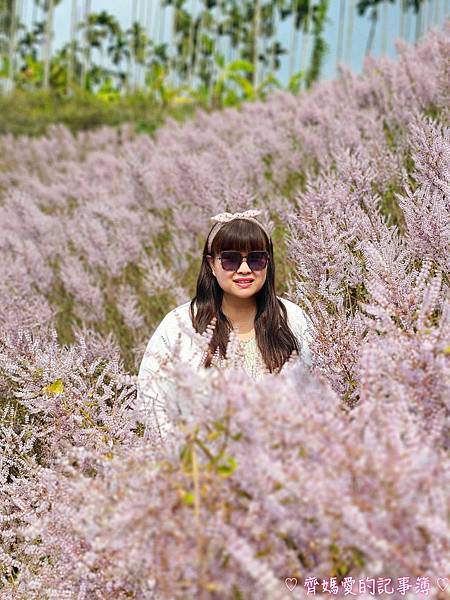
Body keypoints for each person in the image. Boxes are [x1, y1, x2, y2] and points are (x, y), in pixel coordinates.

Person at [135, 209, 312, 442]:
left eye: (257, 259)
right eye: (230, 259)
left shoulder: (291, 318)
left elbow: (318, 390)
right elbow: (152, 401)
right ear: (211, 264)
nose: (245, 269)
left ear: (268, 262)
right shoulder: (180, 325)